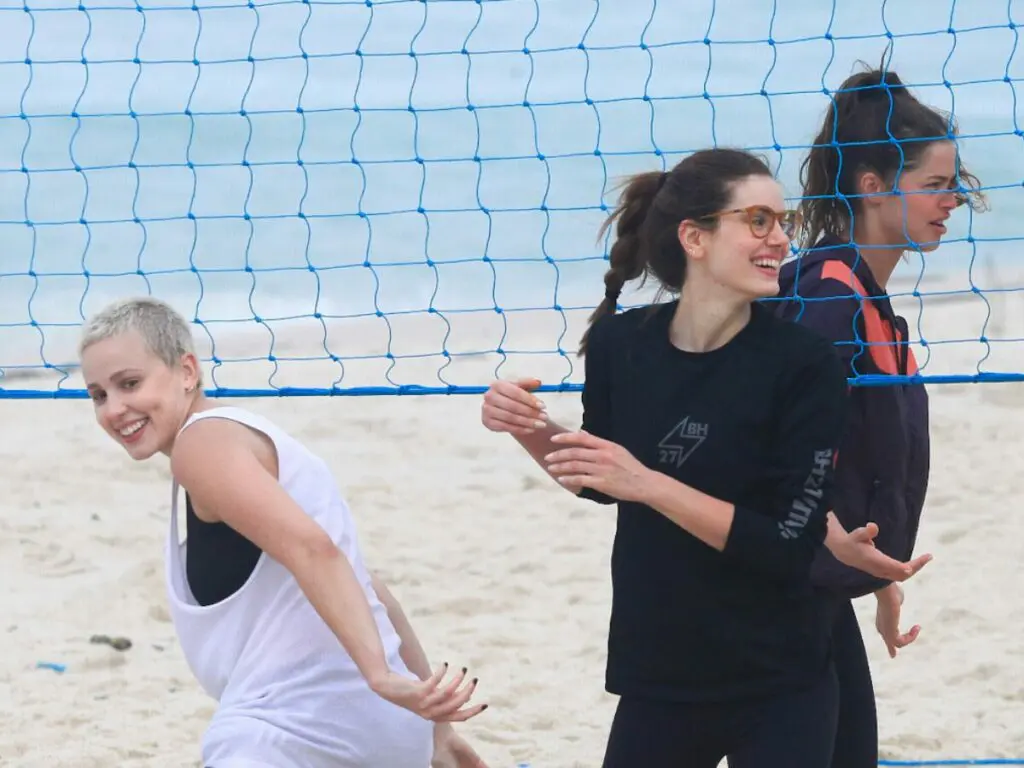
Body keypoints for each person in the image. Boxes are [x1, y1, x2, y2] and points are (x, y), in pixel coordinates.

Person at [479, 147, 931, 767]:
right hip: (659, 672)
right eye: (758, 221)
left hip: (781, 682)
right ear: (694, 236)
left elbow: (785, 542)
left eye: (782, 221)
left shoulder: (805, 365)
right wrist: (526, 427)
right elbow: (602, 478)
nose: (780, 239)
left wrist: (649, 484)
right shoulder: (621, 344)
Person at [78, 297, 489, 768]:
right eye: (98, 395)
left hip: (295, 730)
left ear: (187, 372)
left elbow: (314, 550)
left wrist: (381, 675)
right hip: (365, 725)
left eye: (130, 383)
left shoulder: (202, 445)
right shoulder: (237, 439)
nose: (114, 409)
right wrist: (436, 731)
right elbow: (371, 590)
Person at [773, 64, 986, 768]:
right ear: (871, 187)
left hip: (820, 593)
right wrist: (835, 545)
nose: (952, 200)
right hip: (774, 600)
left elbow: (850, 460)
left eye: (952, 184)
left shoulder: (867, 302)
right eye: (933, 185)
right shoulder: (827, 301)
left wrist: (880, 578)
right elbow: (768, 452)